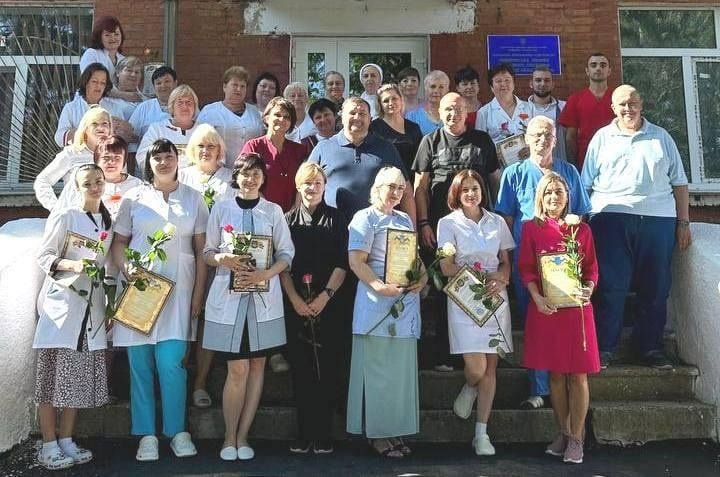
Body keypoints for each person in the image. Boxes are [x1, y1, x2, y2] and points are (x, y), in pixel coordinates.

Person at [581, 85, 692, 370]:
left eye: (632, 103)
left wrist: (683, 222)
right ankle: (606, 348)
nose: (627, 109)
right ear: (612, 108)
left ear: (642, 104)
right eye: (621, 104)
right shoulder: (602, 138)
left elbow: (679, 182)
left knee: (655, 287)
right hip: (610, 218)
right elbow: (585, 185)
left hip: (658, 220)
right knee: (610, 286)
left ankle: (650, 349)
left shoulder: (661, 137)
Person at [111, 139, 208, 462]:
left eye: (169, 157)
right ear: (148, 162)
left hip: (180, 293)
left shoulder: (194, 199)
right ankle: (146, 435)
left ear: (178, 160)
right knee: (140, 365)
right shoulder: (133, 198)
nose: (164, 162)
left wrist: (198, 295)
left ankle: (177, 431)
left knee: (172, 364)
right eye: (158, 158)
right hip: (141, 290)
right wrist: (128, 269)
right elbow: (120, 242)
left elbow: (201, 252)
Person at [202, 153, 294, 461]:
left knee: (257, 367)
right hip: (229, 300)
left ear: (263, 178)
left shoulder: (273, 211)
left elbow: (286, 253)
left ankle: (244, 436)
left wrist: (266, 273)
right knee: (237, 368)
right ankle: (229, 436)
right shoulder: (221, 208)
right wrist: (221, 260)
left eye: (256, 173)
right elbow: (207, 252)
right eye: (244, 173)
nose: (250, 178)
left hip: (264, 301)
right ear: (236, 177)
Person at [495, 116, 590, 410]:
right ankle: (539, 389)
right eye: (536, 135)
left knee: (563, 323)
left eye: (547, 135)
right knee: (535, 324)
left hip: (564, 264)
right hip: (528, 260)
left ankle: (563, 383)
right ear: (526, 139)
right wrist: (506, 259)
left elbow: (581, 214)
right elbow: (505, 219)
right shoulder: (514, 173)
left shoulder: (569, 172)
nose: (542, 140)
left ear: (555, 139)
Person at [33, 164, 114, 470]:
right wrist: (73, 266)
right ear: (76, 188)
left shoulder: (107, 222)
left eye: (98, 181)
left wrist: (108, 306)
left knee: (74, 380)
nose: (94, 187)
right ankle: (48, 443)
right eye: (87, 183)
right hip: (63, 309)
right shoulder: (65, 216)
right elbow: (44, 256)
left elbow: (106, 266)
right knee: (51, 380)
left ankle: (66, 439)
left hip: (90, 310)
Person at [413, 92, 500, 372]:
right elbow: (420, 188)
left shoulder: (482, 141)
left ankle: (480, 350)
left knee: (478, 284)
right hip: (441, 230)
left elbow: (495, 181)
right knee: (444, 290)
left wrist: (497, 220)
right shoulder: (430, 142)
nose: (453, 114)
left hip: (477, 228)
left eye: (459, 109)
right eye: (448, 110)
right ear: (439, 112)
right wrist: (424, 223)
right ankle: (445, 354)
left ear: (467, 111)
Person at [518, 172, 600, 464]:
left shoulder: (582, 230)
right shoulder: (531, 229)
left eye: (559, 192)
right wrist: (537, 298)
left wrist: (588, 290)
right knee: (554, 375)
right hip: (546, 309)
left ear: (568, 197)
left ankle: (577, 438)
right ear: (541, 196)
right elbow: (526, 269)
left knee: (577, 375)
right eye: (549, 192)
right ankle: (563, 432)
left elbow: (591, 270)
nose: (554, 197)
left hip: (577, 311)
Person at [347, 166, 425, 458]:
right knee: (377, 372)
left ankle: (395, 430)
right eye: (389, 186)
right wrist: (380, 288)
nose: (395, 193)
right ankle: (377, 435)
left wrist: (422, 278)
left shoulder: (404, 218)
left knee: (399, 374)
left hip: (404, 306)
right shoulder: (364, 218)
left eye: (400, 188)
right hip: (376, 303)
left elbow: (414, 260)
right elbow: (356, 261)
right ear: (376, 189)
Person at [437, 169, 514, 456]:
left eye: (476, 188)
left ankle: (481, 433)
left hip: (495, 299)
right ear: (456, 194)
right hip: (464, 299)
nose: (471, 193)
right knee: (477, 368)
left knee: (491, 367)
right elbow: (446, 267)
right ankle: (470, 386)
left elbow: (506, 262)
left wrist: (503, 278)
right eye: (465, 189)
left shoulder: (497, 222)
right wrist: (476, 277)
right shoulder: (447, 223)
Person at [281, 162, 349, 455]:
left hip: (328, 304)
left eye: (317, 183)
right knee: (302, 370)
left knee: (328, 369)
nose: (312, 188)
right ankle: (303, 433)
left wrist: (325, 296)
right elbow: (282, 264)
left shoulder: (336, 219)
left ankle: (323, 434)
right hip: (295, 304)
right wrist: (295, 299)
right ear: (298, 186)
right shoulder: (286, 220)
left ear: (325, 186)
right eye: (307, 183)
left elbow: (342, 263)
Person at [179, 124, 233, 408]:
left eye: (211, 145)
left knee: (207, 324)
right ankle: (178, 380)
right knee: (183, 319)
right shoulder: (182, 177)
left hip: (217, 261)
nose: (206, 150)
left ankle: (200, 383)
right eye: (201, 145)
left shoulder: (230, 178)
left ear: (220, 150)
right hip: (185, 258)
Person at [308, 96, 415, 223]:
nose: (357, 117)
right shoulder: (322, 148)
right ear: (341, 117)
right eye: (352, 113)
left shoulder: (387, 148)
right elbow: (305, 187)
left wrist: (412, 232)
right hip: (331, 229)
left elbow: (406, 192)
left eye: (362, 113)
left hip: (378, 229)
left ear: (370, 119)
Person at [37, 107, 112, 211]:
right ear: (85, 129)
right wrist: (56, 209)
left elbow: (120, 187)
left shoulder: (115, 156)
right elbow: (42, 181)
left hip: (106, 220)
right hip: (76, 219)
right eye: (94, 124)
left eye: (105, 124)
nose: (100, 128)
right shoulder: (72, 153)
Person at [241, 97, 308, 213]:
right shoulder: (253, 147)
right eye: (277, 115)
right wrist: (269, 212)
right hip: (259, 213)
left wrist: (294, 212)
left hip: (293, 216)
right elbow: (245, 180)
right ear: (266, 117)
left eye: (287, 117)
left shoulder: (300, 150)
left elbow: (305, 182)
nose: (282, 119)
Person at [55, 135, 143, 219]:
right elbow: (62, 214)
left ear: (124, 161)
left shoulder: (137, 185)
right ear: (96, 160)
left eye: (117, 158)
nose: (112, 162)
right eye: (106, 158)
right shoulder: (81, 183)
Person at [196, 66, 264, 167]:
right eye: (234, 85)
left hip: (249, 172)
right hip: (218, 172)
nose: (238, 89)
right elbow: (198, 143)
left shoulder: (254, 112)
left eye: (242, 86)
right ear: (224, 87)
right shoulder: (209, 111)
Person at [559, 53, 614, 170]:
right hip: (585, 160)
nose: (598, 68)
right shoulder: (576, 99)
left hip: (615, 158)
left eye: (603, 65)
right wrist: (574, 166)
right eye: (593, 65)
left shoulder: (618, 98)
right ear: (587, 71)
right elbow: (570, 137)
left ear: (609, 71)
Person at [54, 63, 129, 147]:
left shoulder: (115, 108)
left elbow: (123, 140)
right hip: (78, 157)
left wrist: (121, 129)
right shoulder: (71, 108)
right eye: (94, 81)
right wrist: (88, 132)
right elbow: (59, 138)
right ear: (86, 82)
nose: (98, 86)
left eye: (103, 83)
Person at [137, 84, 201, 176]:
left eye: (189, 102)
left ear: (195, 107)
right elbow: (143, 157)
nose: (185, 107)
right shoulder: (157, 129)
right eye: (180, 103)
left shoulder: (204, 131)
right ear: (172, 107)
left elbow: (217, 160)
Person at [79, 15, 139, 103]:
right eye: (107, 35)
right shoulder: (91, 54)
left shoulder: (124, 59)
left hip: (118, 104)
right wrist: (124, 95)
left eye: (116, 34)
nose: (113, 38)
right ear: (100, 37)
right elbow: (92, 83)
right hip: (91, 103)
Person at [369, 83, 423, 176]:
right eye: (386, 101)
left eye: (394, 98)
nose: (391, 103)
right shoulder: (373, 128)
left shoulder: (413, 127)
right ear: (380, 104)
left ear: (401, 100)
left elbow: (421, 160)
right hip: (384, 183)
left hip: (410, 182)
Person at [475, 63, 532, 145]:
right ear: (491, 87)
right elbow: (480, 145)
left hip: (527, 157)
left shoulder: (529, 107)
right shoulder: (483, 113)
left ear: (513, 84)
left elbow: (537, 137)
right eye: (498, 81)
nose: (503, 84)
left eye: (507, 80)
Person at [527, 66, 566, 162]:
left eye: (547, 80)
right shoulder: (522, 109)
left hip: (560, 165)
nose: (543, 84)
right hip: (533, 166)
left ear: (553, 84)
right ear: (531, 84)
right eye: (538, 80)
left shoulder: (564, 107)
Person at [129, 66, 178, 140]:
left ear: (175, 83)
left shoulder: (186, 105)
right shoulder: (144, 107)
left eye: (167, 81)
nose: (163, 86)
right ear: (154, 87)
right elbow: (131, 133)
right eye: (158, 83)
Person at [406, 70, 450, 136]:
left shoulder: (453, 115)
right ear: (425, 88)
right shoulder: (412, 117)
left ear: (447, 90)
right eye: (432, 86)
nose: (436, 91)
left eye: (441, 87)